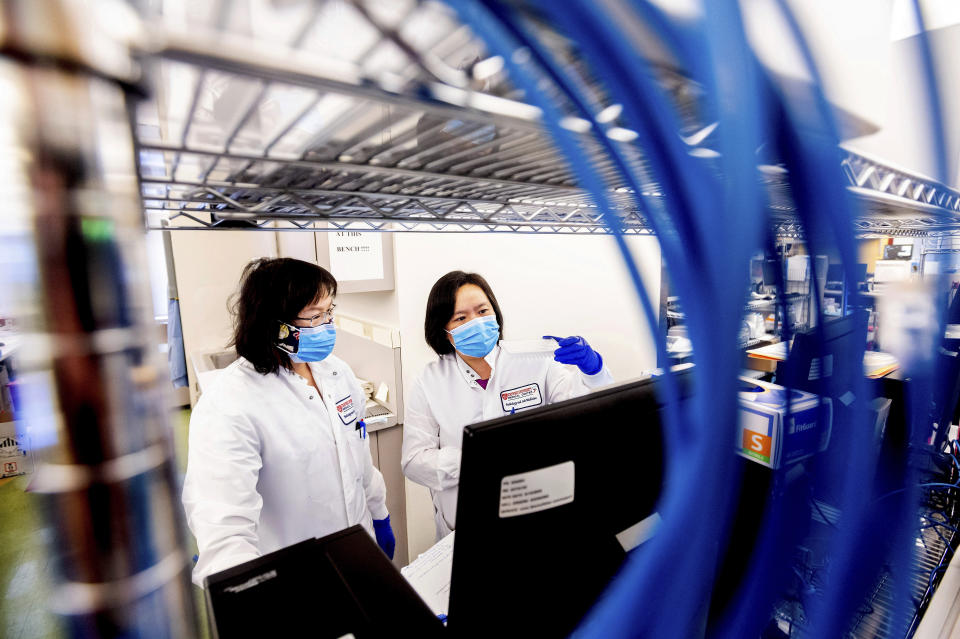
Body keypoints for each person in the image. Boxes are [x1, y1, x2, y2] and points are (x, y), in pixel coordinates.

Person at [182, 258, 395, 586]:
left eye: (329, 312)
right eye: (315, 316)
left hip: (358, 551)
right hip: (294, 578)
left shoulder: (337, 373)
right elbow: (225, 530)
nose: (327, 326)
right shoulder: (229, 404)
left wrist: (379, 514)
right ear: (274, 324)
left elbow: (359, 460)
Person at [401, 271, 613, 539]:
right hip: (465, 528)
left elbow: (586, 414)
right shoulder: (428, 381)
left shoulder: (535, 361)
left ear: (495, 313)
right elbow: (413, 461)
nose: (476, 322)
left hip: (538, 514)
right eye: (461, 318)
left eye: (482, 311)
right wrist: (479, 459)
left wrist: (592, 370)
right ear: (444, 331)